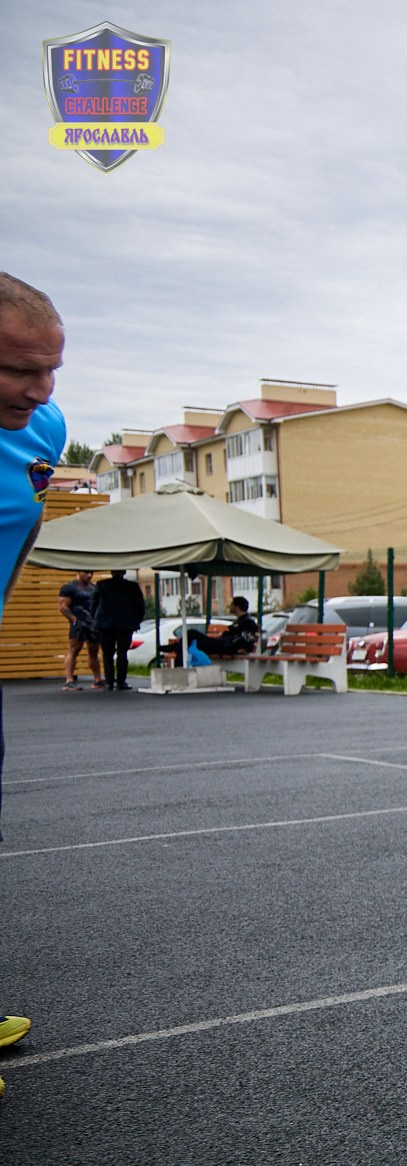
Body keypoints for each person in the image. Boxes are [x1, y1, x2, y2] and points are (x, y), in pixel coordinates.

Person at [0, 272, 67, 1095]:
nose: (40, 389)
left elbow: (22, 525)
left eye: (50, 367)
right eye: (18, 368)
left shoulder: (43, 428)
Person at [94, 569, 146, 691]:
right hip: (125, 624)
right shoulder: (132, 586)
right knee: (122, 653)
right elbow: (140, 606)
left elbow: (94, 604)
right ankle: (121, 681)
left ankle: (109, 682)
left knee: (107, 654)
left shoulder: (101, 585)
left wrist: (96, 620)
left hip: (105, 624)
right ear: (124, 573)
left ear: (111, 572)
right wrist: (136, 621)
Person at [58, 568, 103, 690]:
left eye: (91, 573)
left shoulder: (94, 588)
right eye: (86, 572)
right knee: (74, 649)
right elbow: (63, 607)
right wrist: (75, 620)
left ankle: (98, 680)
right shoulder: (69, 587)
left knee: (94, 650)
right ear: (79, 572)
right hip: (78, 623)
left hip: (92, 623)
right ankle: (69, 681)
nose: (89, 575)